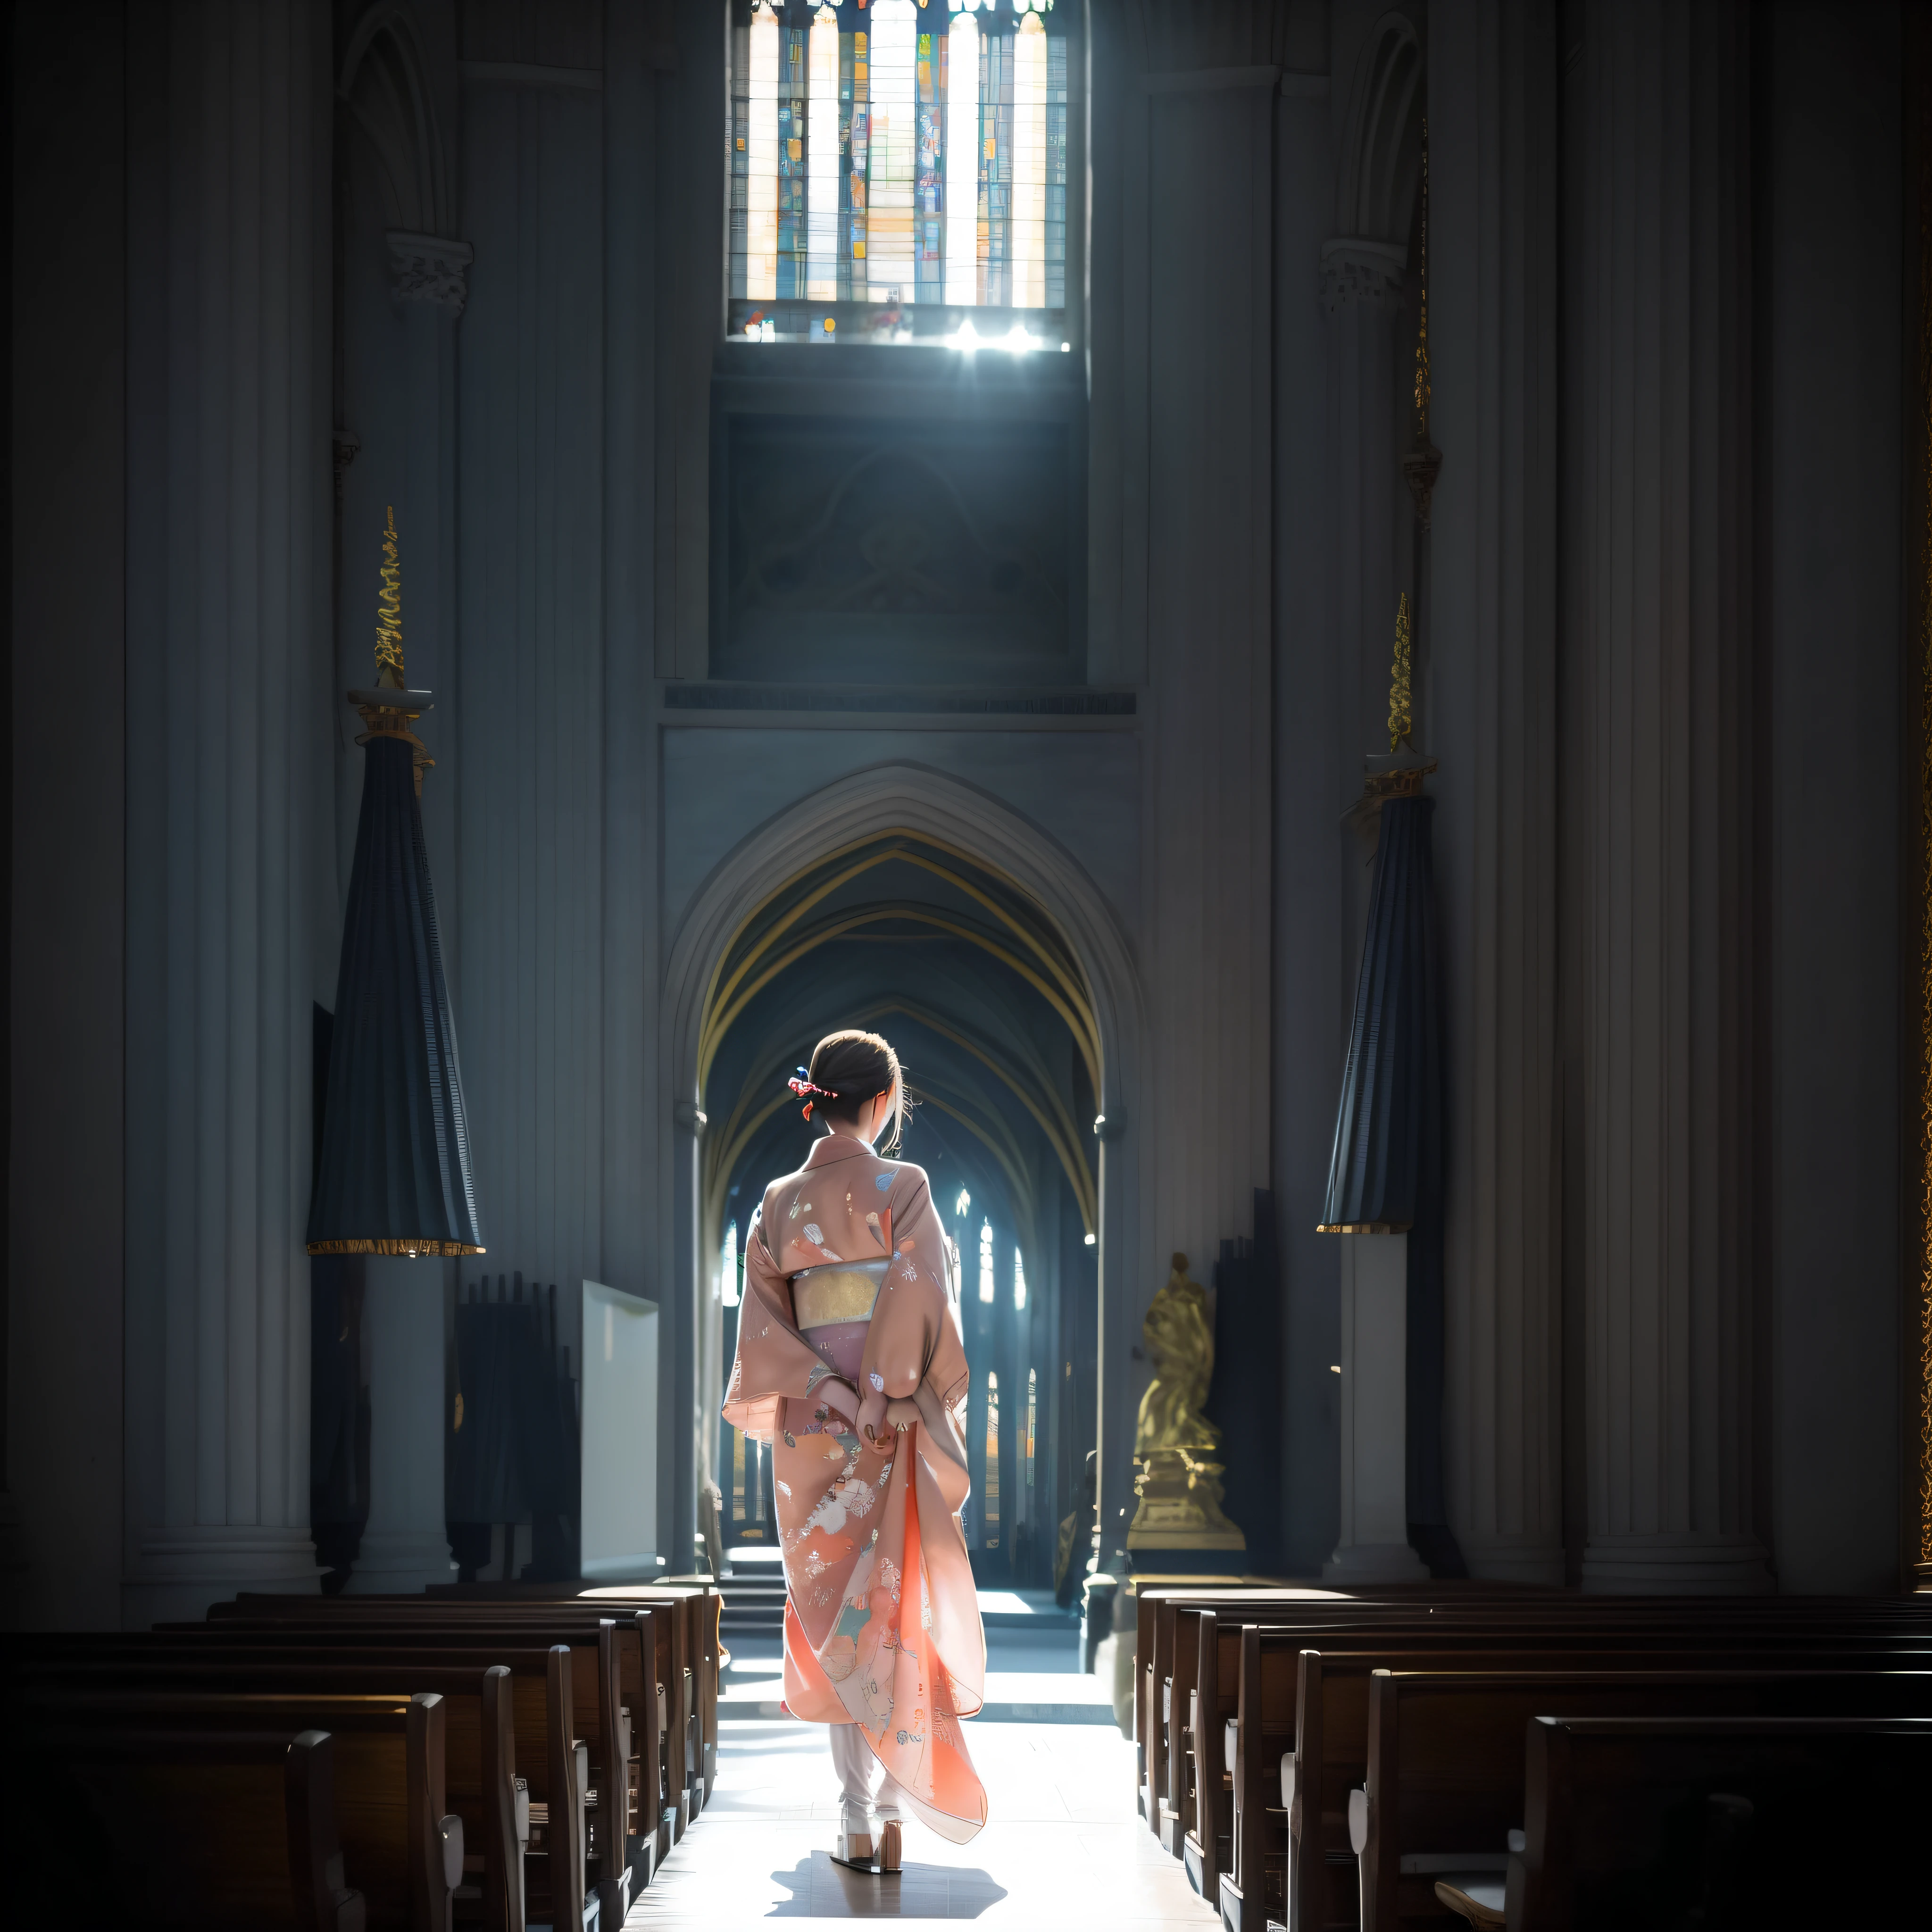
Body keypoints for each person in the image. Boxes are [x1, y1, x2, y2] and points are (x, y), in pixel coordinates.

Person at [722, 1028, 988, 1869]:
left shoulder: (776, 1202)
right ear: (881, 1104)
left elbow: (763, 1325)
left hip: (811, 1434)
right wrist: (877, 1389)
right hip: (891, 1424)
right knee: (893, 1611)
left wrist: (833, 1391)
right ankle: (894, 1809)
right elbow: (924, 1288)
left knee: (833, 1614)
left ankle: (852, 1818)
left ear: (821, 1101)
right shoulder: (902, 1185)